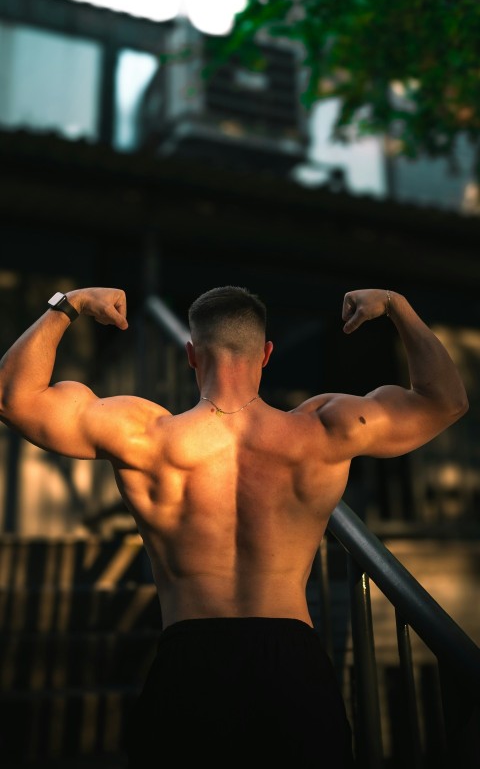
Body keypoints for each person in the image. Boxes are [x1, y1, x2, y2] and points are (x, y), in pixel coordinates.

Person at [0, 285, 468, 767]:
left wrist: (70, 304)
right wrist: (396, 305)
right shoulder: (325, 429)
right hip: (292, 665)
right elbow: (445, 401)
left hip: (189, 661)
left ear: (190, 355)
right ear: (266, 354)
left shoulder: (144, 435)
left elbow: (13, 399)